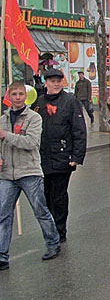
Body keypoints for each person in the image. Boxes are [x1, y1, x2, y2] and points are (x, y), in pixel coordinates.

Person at [0, 81, 61, 270]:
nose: (17, 97)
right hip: (7, 173)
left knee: (40, 210)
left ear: (25, 96)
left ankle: (53, 243)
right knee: (3, 214)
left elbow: (32, 143)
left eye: (20, 94)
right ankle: (2, 255)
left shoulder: (33, 117)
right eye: (14, 94)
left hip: (29, 171)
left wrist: (6, 136)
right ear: (9, 97)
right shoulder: (3, 118)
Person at [33, 68, 87, 243]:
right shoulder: (39, 102)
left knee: (59, 196)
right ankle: (50, 230)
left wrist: (76, 156)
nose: (56, 84)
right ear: (46, 82)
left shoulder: (70, 101)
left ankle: (59, 231)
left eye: (58, 81)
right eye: (52, 81)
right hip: (42, 157)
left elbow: (79, 129)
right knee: (45, 196)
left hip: (63, 157)